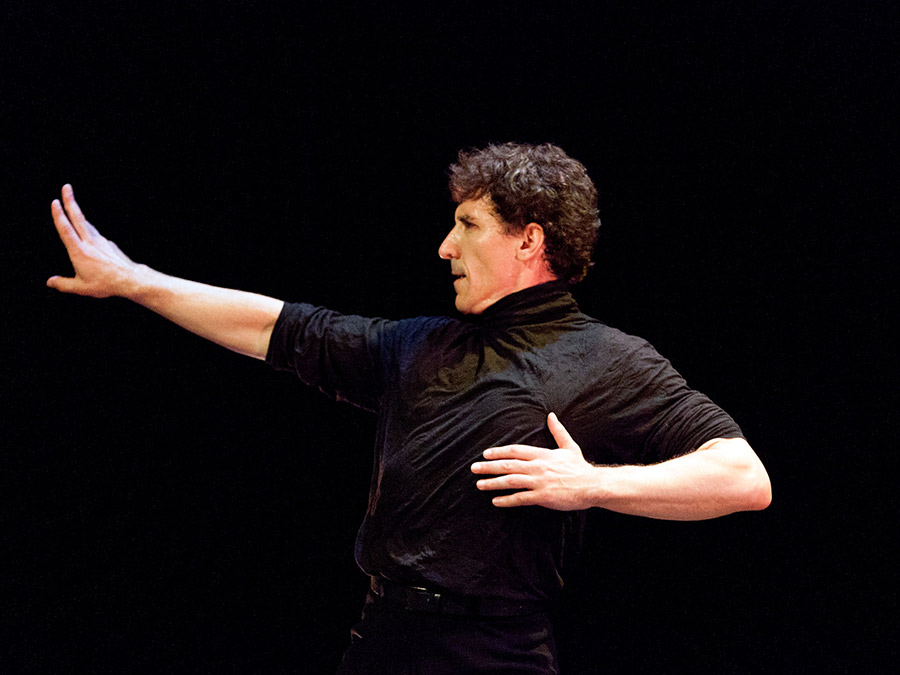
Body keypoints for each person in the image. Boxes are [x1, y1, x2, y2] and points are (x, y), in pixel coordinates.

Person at [47, 142, 771, 674]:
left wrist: (592, 485)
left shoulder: (607, 360)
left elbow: (743, 477)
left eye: (468, 224)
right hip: (382, 640)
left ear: (529, 239)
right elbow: (275, 326)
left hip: (495, 653)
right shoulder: (419, 345)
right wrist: (134, 279)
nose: (445, 246)